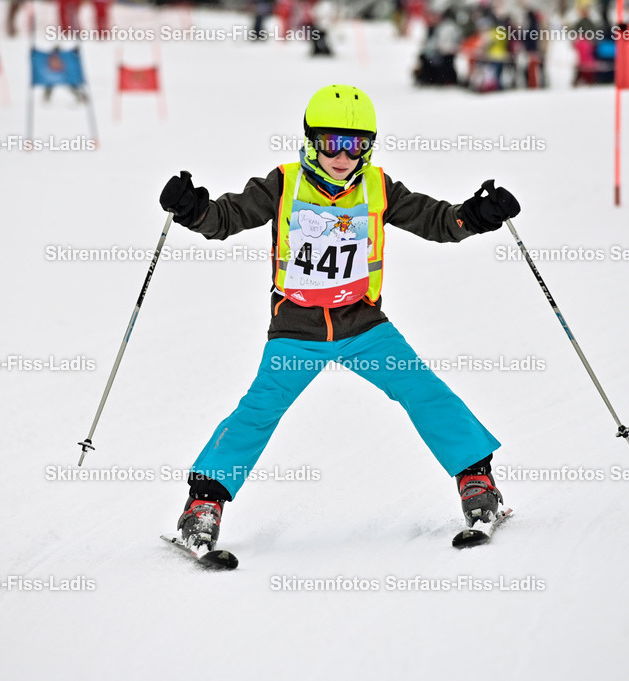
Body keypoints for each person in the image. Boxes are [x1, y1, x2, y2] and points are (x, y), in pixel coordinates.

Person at [158, 84, 521, 551]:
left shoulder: (378, 188)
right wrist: (195, 211)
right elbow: (225, 218)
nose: (343, 155)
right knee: (258, 410)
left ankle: (477, 482)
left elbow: (438, 222)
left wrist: (476, 215)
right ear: (311, 140)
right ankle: (202, 507)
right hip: (297, 330)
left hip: (363, 325)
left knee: (424, 391)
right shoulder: (283, 183)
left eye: (356, 145)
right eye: (332, 142)